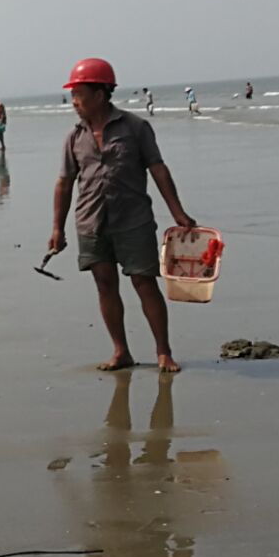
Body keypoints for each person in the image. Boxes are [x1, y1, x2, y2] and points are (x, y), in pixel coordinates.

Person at [50, 58, 197, 374]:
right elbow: (64, 183)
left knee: (144, 282)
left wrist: (178, 212)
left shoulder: (135, 128)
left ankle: (163, 352)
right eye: (73, 95)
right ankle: (121, 351)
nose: (75, 102)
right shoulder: (74, 137)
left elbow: (157, 169)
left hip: (134, 220)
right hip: (91, 221)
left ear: (101, 94)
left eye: (80, 94)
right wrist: (57, 229)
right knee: (105, 285)